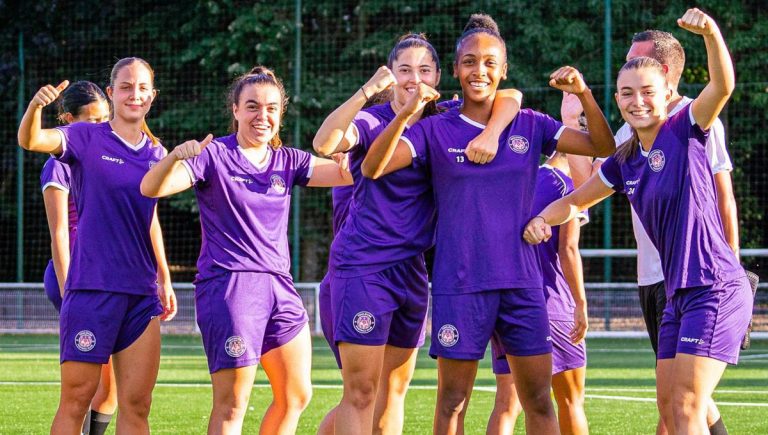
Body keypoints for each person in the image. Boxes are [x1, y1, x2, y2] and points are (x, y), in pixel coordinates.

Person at [363, 14, 614, 434]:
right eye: (469, 62)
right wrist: (407, 114)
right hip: (460, 284)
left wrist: (584, 93)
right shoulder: (436, 128)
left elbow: (602, 146)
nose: (479, 71)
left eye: (489, 62)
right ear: (456, 69)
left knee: (537, 401)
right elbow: (374, 167)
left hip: (522, 285)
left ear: (503, 69)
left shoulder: (530, 124)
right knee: (452, 404)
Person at [524, 9, 751, 434]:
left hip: (713, 286)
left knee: (686, 406)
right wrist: (540, 219)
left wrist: (711, 33)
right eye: (626, 94)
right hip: (676, 294)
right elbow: (574, 201)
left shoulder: (687, 128)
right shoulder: (625, 160)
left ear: (668, 92)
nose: (637, 101)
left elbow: (723, 86)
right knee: (671, 408)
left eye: (647, 91)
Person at [312, 33, 522, 435]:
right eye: (404, 70)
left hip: (412, 272)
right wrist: (365, 93)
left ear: (439, 75)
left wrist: (492, 132)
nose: (414, 78)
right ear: (390, 76)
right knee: (360, 393)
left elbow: (511, 95)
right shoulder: (371, 121)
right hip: (363, 268)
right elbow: (325, 143)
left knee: (393, 391)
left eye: (424, 69)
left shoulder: (446, 119)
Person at [140, 66, 352, 435]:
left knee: (297, 394)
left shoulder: (288, 161)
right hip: (231, 286)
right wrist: (174, 157)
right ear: (235, 110)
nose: (262, 116)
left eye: (271, 108)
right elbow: (152, 188)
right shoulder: (214, 155)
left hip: (280, 288)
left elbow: (351, 173)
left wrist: (369, 144)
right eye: (252, 106)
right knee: (233, 403)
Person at [593, 27, 742, 435]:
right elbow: (587, 187)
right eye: (625, 84)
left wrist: (734, 266)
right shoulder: (628, 133)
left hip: (704, 277)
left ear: (662, 74)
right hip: (657, 279)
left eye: (637, 63)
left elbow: (723, 197)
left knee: (686, 401)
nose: (632, 87)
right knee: (673, 400)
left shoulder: (692, 121)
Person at [18, 57, 177, 435]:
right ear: (111, 92)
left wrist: (164, 277)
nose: (133, 94)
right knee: (76, 401)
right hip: (91, 289)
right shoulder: (85, 138)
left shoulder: (158, 153)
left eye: (142, 88)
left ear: (152, 96)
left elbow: (148, 218)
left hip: (140, 296)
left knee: (137, 405)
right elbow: (32, 140)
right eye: (125, 86)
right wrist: (35, 108)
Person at [488, 105, 591, 435]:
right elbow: (568, 250)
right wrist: (581, 304)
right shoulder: (568, 189)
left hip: (506, 304)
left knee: (506, 405)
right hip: (550, 304)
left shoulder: (520, 182)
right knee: (569, 401)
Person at [39, 80, 118, 435]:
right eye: (92, 120)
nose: (101, 127)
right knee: (84, 385)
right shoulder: (59, 164)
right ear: (68, 119)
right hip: (76, 278)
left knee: (112, 386)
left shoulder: (104, 156)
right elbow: (59, 232)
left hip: (108, 275)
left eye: (105, 119)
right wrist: (72, 289)